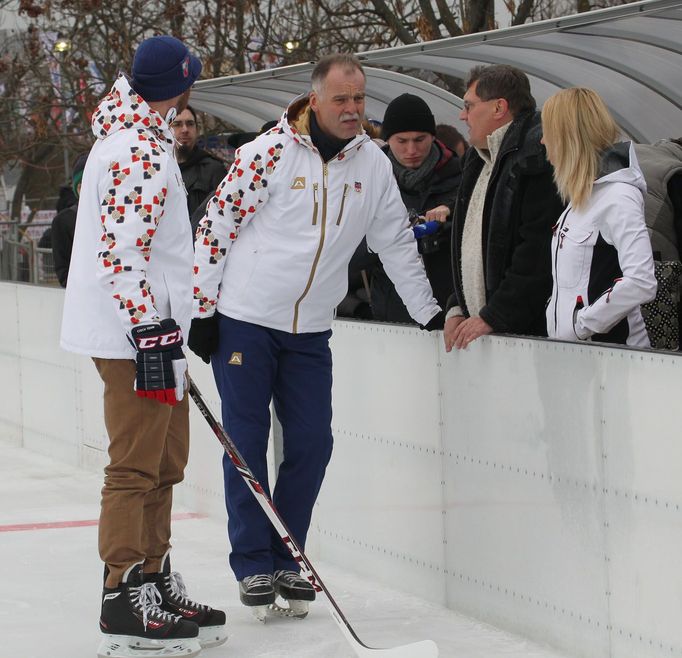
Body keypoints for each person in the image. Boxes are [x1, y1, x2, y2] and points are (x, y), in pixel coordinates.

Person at [188, 53, 441, 619]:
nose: (353, 110)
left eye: (359, 99)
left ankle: (288, 557)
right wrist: (203, 309)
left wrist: (428, 311)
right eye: (341, 100)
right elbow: (215, 225)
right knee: (246, 444)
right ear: (316, 100)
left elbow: (394, 241)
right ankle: (253, 565)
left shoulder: (372, 164)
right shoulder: (268, 153)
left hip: (310, 332)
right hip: (246, 322)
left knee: (311, 443)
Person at [59, 35, 226, 658]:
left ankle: (153, 577)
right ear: (180, 83)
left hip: (155, 331)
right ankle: (121, 590)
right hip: (137, 337)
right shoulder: (136, 150)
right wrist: (148, 331)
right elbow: (120, 254)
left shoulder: (145, 137)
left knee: (166, 461)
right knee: (133, 466)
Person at [443, 64, 564, 351]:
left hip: (529, 340)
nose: (462, 115)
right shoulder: (478, 158)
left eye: (469, 106)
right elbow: (471, 244)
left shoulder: (536, 158)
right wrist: (457, 305)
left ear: (499, 107)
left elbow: (536, 252)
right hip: (491, 332)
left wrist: (496, 315)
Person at [542, 88, 657, 346]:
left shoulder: (618, 196)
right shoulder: (581, 199)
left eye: (546, 131)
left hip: (613, 361)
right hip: (577, 357)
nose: (542, 140)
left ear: (565, 136)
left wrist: (582, 324)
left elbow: (641, 281)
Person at [368, 93, 461, 324]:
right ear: (388, 139)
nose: (412, 150)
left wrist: (450, 213)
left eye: (420, 139)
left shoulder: (461, 174)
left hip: (450, 308)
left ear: (432, 136)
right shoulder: (368, 180)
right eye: (402, 141)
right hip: (391, 311)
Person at [172, 104, 227, 217]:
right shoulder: (160, 169)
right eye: (177, 124)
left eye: (190, 124)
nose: (185, 129)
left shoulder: (213, 169)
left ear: (197, 129)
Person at [51, 151, 88, 287]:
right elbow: (63, 268)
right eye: (81, 185)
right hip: (84, 295)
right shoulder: (64, 221)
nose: (85, 190)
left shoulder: (113, 217)